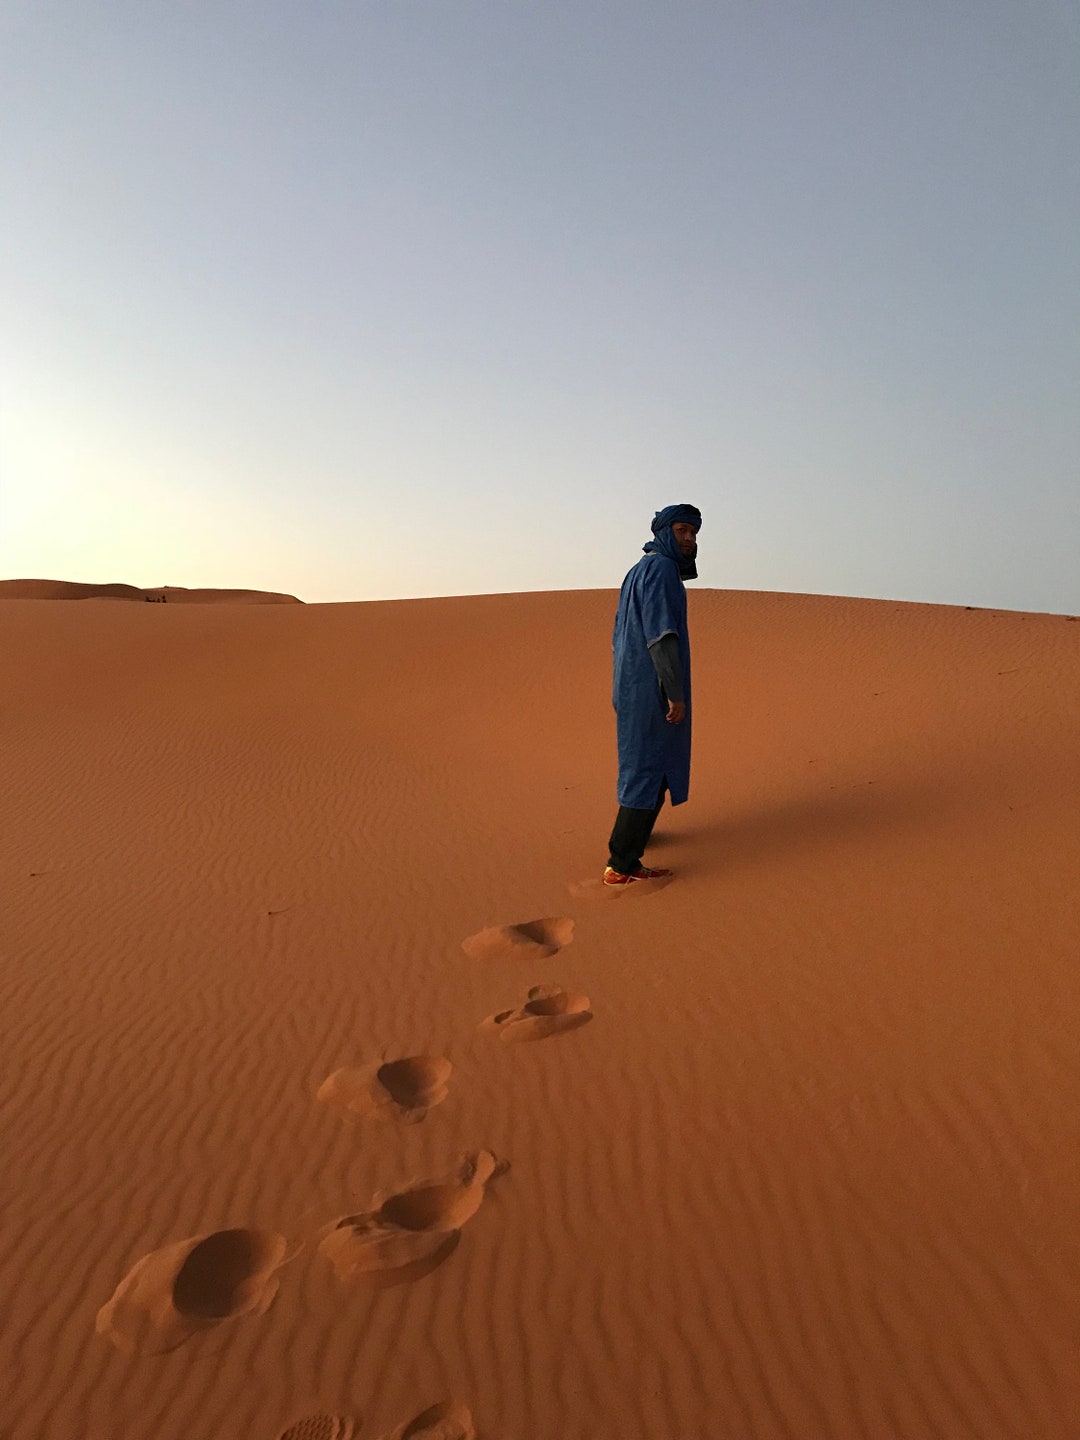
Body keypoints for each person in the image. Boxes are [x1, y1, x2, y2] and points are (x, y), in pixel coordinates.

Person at [605, 503, 702, 884]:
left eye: (693, 533)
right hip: (652, 689)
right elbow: (662, 637)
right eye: (681, 531)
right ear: (664, 532)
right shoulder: (662, 570)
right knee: (649, 768)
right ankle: (622, 864)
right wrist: (674, 693)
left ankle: (639, 834)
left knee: (648, 764)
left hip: (632, 685)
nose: (689, 539)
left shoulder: (638, 570)